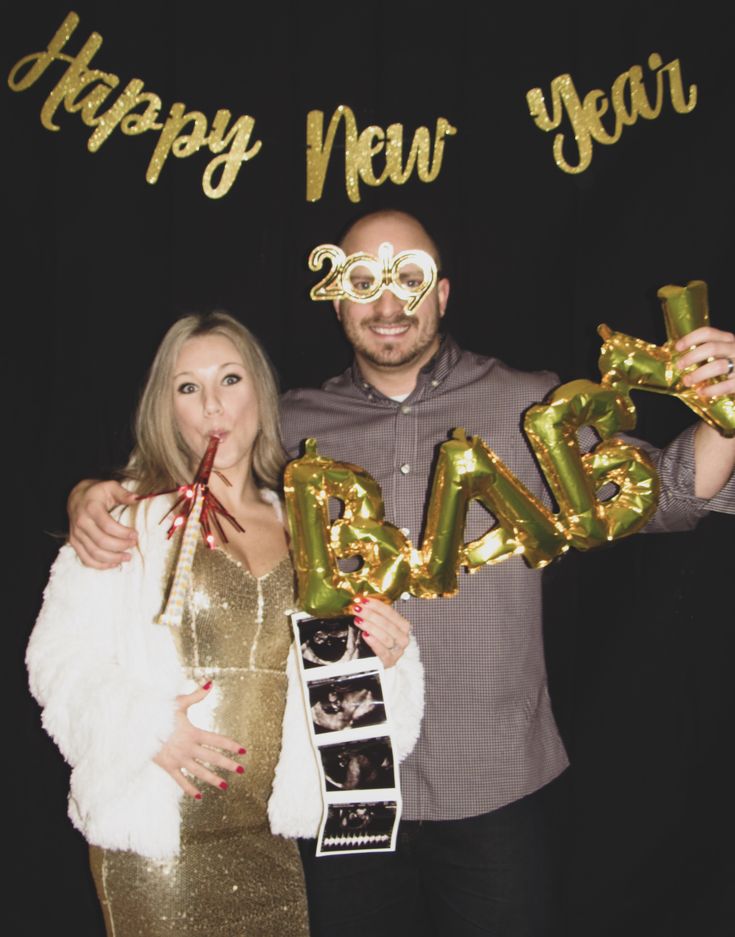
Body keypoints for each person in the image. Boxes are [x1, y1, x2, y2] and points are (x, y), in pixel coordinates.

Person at [66, 213, 735, 937]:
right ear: (336, 297)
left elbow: (667, 492)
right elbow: (180, 474)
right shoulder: (286, 427)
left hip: (496, 785)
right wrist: (92, 498)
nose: (387, 306)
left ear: (441, 293)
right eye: (363, 283)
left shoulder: (527, 405)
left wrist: (724, 408)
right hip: (341, 787)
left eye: (407, 280)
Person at [28, 310, 421, 937]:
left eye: (230, 379)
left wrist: (383, 662)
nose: (213, 405)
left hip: (268, 839)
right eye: (189, 387)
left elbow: (335, 701)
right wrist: (144, 728)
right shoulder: (123, 517)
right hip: (159, 846)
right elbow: (58, 658)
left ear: (261, 393)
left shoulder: (307, 526)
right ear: (168, 407)